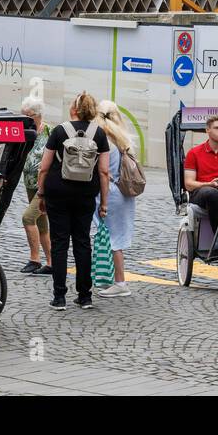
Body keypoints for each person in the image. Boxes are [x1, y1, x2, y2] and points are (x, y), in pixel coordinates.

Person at [36, 91, 111, 311]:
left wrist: (41, 194)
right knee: (82, 242)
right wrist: (104, 203)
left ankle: (59, 297)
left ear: (74, 109)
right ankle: (85, 296)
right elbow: (104, 171)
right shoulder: (100, 134)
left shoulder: (60, 131)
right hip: (85, 194)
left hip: (58, 192)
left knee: (59, 243)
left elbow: (44, 167)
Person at [94, 101, 135, 299]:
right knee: (115, 237)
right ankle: (115, 280)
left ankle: (120, 282)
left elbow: (102, 170)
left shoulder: (104, 139)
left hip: (109, 192)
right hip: (121, 192)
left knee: (112, 239)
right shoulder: (120, 138)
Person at [18, 97, 52, 276]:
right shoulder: (24, 131)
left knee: (28, 217)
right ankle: (51, 262)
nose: (25, 119)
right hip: (30, 184)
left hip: (44, 186)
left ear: (37, 115)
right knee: (42, 224)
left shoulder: (49, 132)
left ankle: (34, 259)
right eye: (23, 115)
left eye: (28, 116)